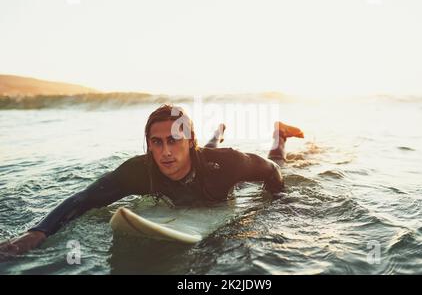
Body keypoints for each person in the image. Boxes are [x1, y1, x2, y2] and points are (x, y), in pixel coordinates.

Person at [0, 104, 304, 260]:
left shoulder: (228, 164)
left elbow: (270, 173)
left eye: (173, 140)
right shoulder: (140, 170)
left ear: (187, 140)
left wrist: (276, 202)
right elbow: (84, 199)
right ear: (148, 145)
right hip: (199, 155)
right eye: (156, 143)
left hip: (211, 165)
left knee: (276, 160)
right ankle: (218, 129)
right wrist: (36, 233)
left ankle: (278, 134)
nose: (165, 152)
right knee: (204, 149)